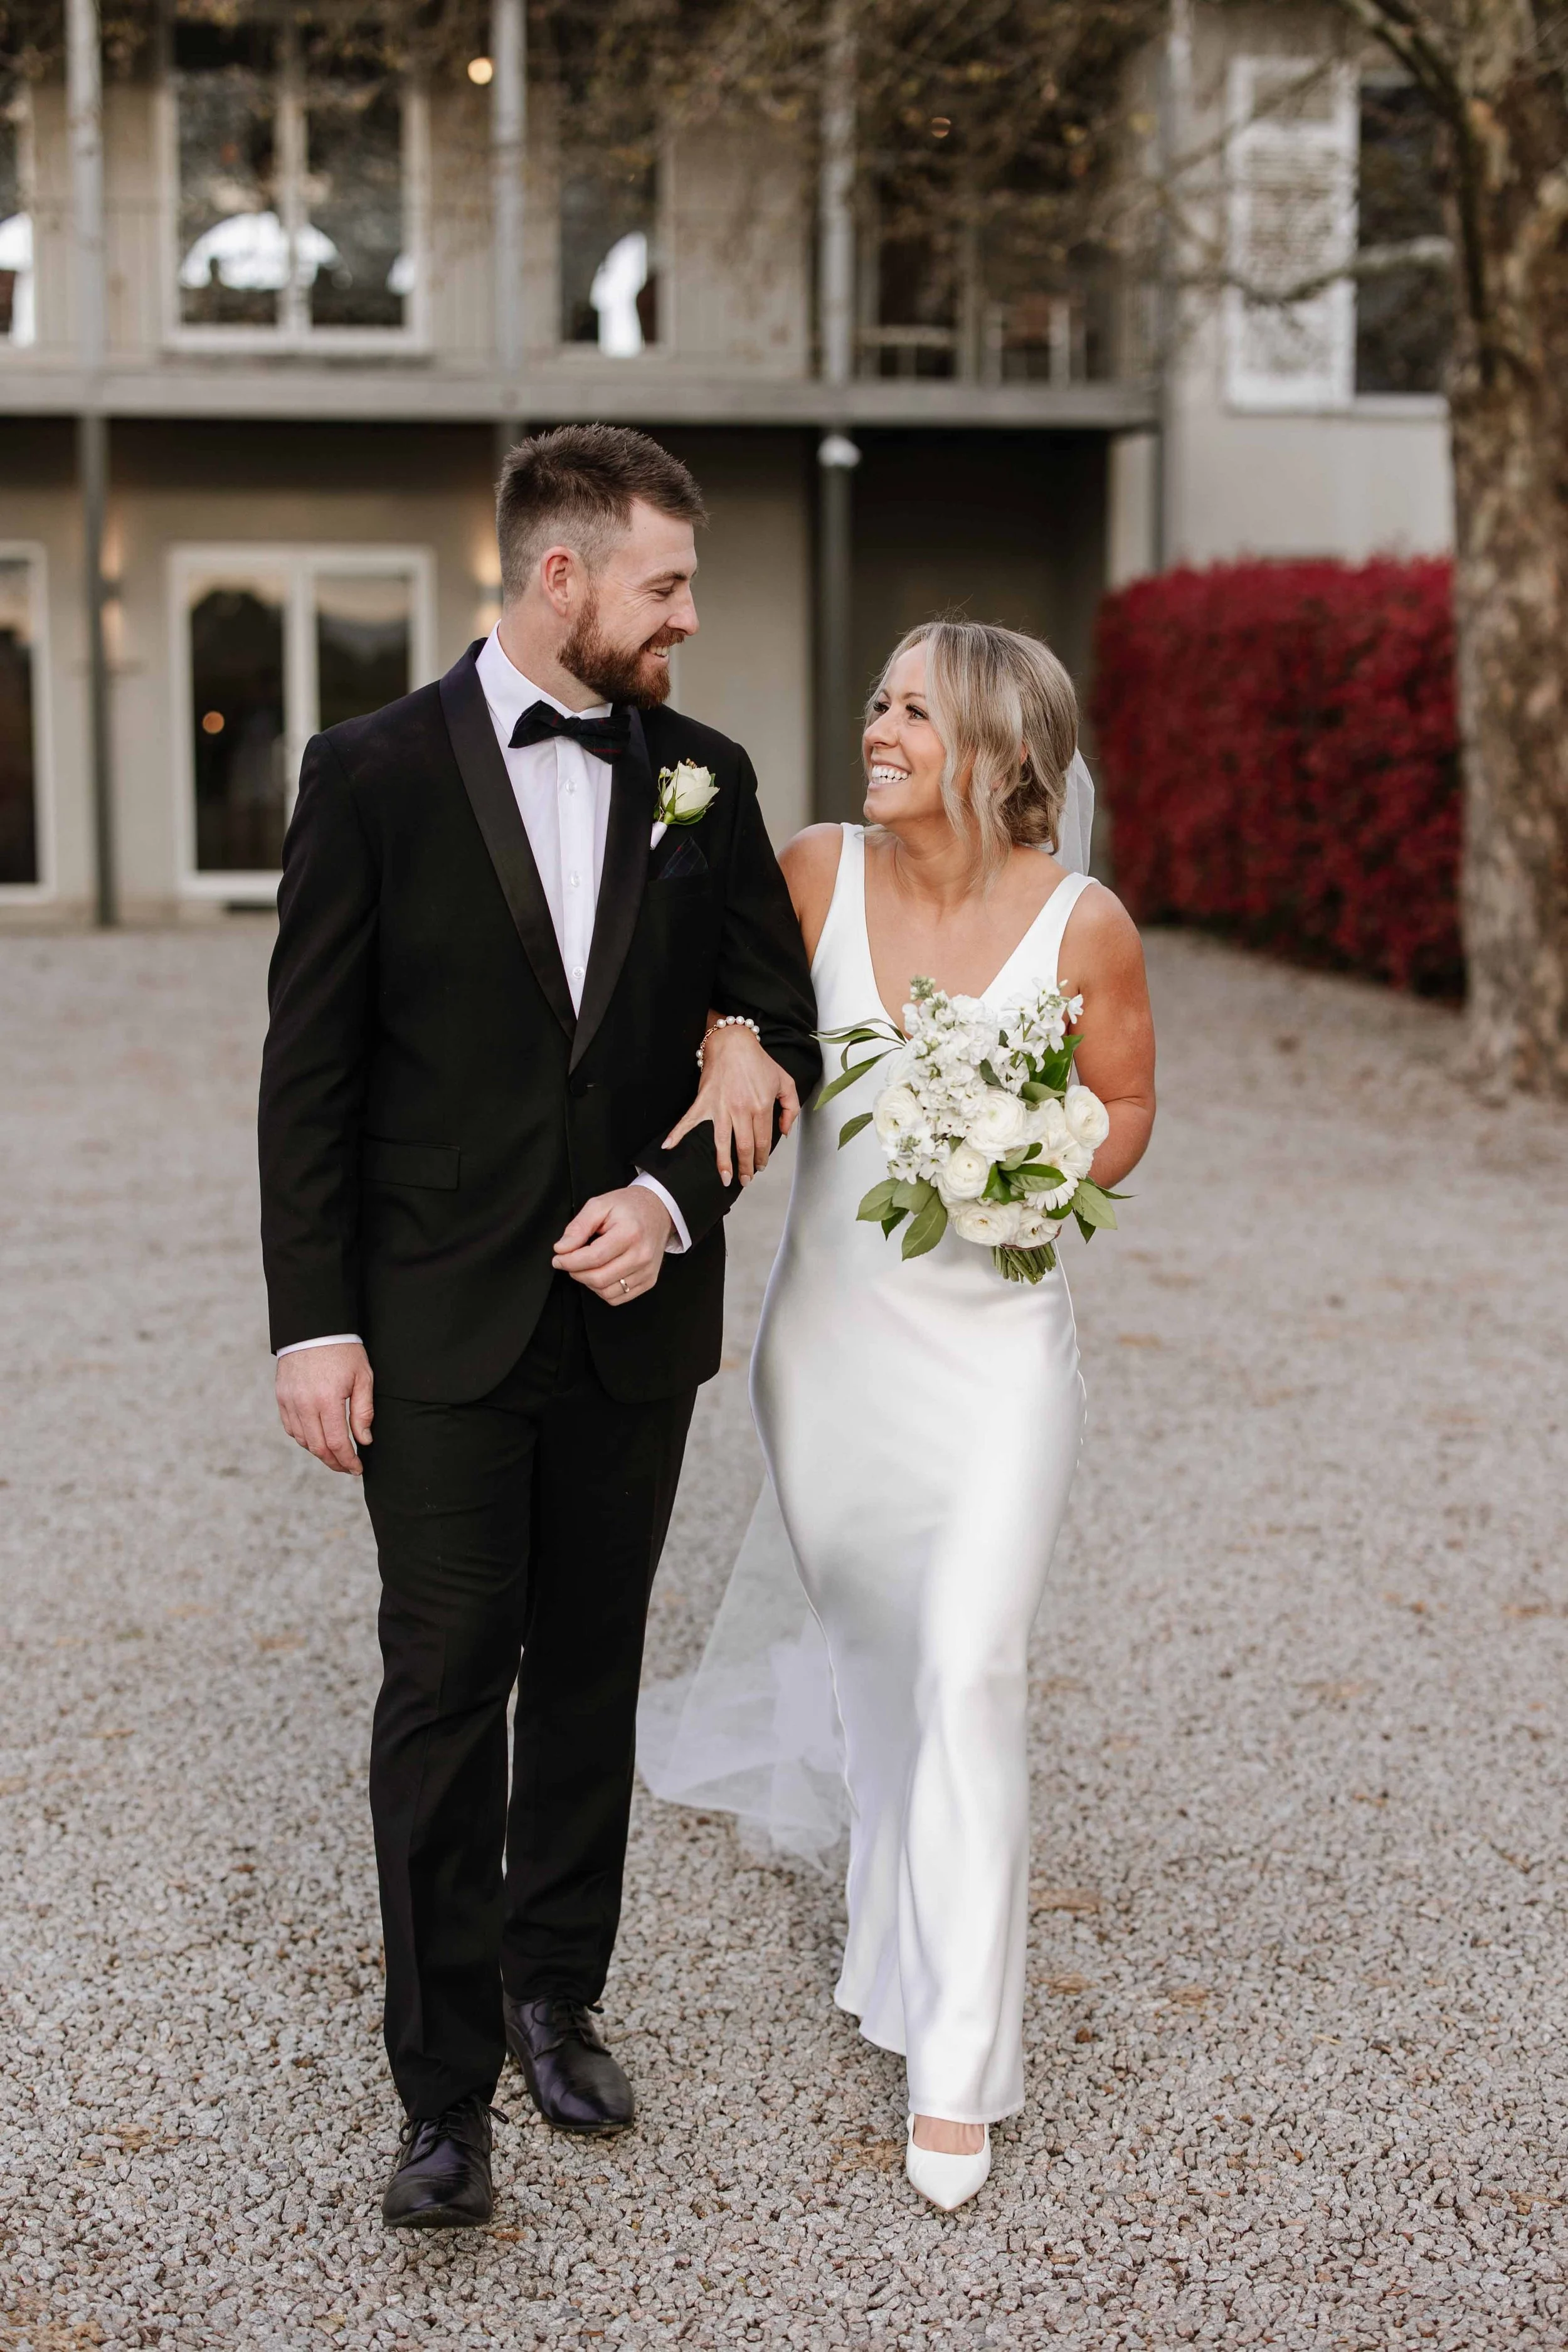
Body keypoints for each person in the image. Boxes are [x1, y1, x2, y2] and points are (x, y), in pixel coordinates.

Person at [257, 425, 820, 2230]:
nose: (688, 618)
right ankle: (439, 2090)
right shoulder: (367, 773)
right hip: (429, 1326)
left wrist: (670, 1206)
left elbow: (772, 1034)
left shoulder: (709, 782)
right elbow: (311, 1079)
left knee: (588, 1668)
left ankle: (552, 1994)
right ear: (559, 576)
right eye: (665, 586)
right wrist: (309, 1326)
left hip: (628, 1332)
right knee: (442, 1686)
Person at [647, 620, 1156, 2211]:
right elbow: (711, 998)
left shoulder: (1084, 924)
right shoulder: (808, 872)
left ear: (1002, 748)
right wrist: (732, 1035)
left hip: (999, 1352)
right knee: (880, 1682)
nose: (877, 728)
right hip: (833, 1362)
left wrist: (1046, 1162)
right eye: (874, 700)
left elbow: (1127, 1100)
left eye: (913, 711)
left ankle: (958, 2061)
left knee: (970, 1666)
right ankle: (894, 1934)